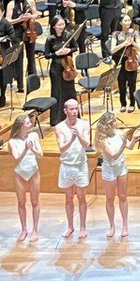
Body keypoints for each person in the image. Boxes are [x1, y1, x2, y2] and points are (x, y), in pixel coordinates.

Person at [95, 110, 137, 239]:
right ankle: (112, 225)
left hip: (121, 168)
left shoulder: (119, 133)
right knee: (110, 198)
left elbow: (129, 146)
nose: (116, 122)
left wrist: (134, 138)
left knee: (123, 196)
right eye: (114, 120)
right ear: (109, 124)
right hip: (110, 169)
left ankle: (125, 225)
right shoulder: (103, 140)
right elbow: (113, 155)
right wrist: (124, 145)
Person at [55, 98, 90, 240]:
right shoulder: (59, 127)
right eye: (72, 109)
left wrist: (79, 135)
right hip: (67, 166)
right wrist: (71, 139)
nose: (75, 112)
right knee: (68, 197)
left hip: (81, 165)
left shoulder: (84, 124)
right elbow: (61, 149)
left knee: (81, 196)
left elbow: (87, 144)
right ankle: (70, 226)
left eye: (76, 109)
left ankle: (83, 227)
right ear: (65, 111)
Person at [7, 113, 43, 243]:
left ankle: (35, 230)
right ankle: (23, 229)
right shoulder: (12, 141)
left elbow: (41, 155)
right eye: (27, 123)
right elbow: (17, 159)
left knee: (35, 202)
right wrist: (25, 150)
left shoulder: (34, 136)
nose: (30, 124)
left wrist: (32, 149)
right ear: (21, 126)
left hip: (33, 172)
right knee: (21, 202)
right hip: (20, 173)